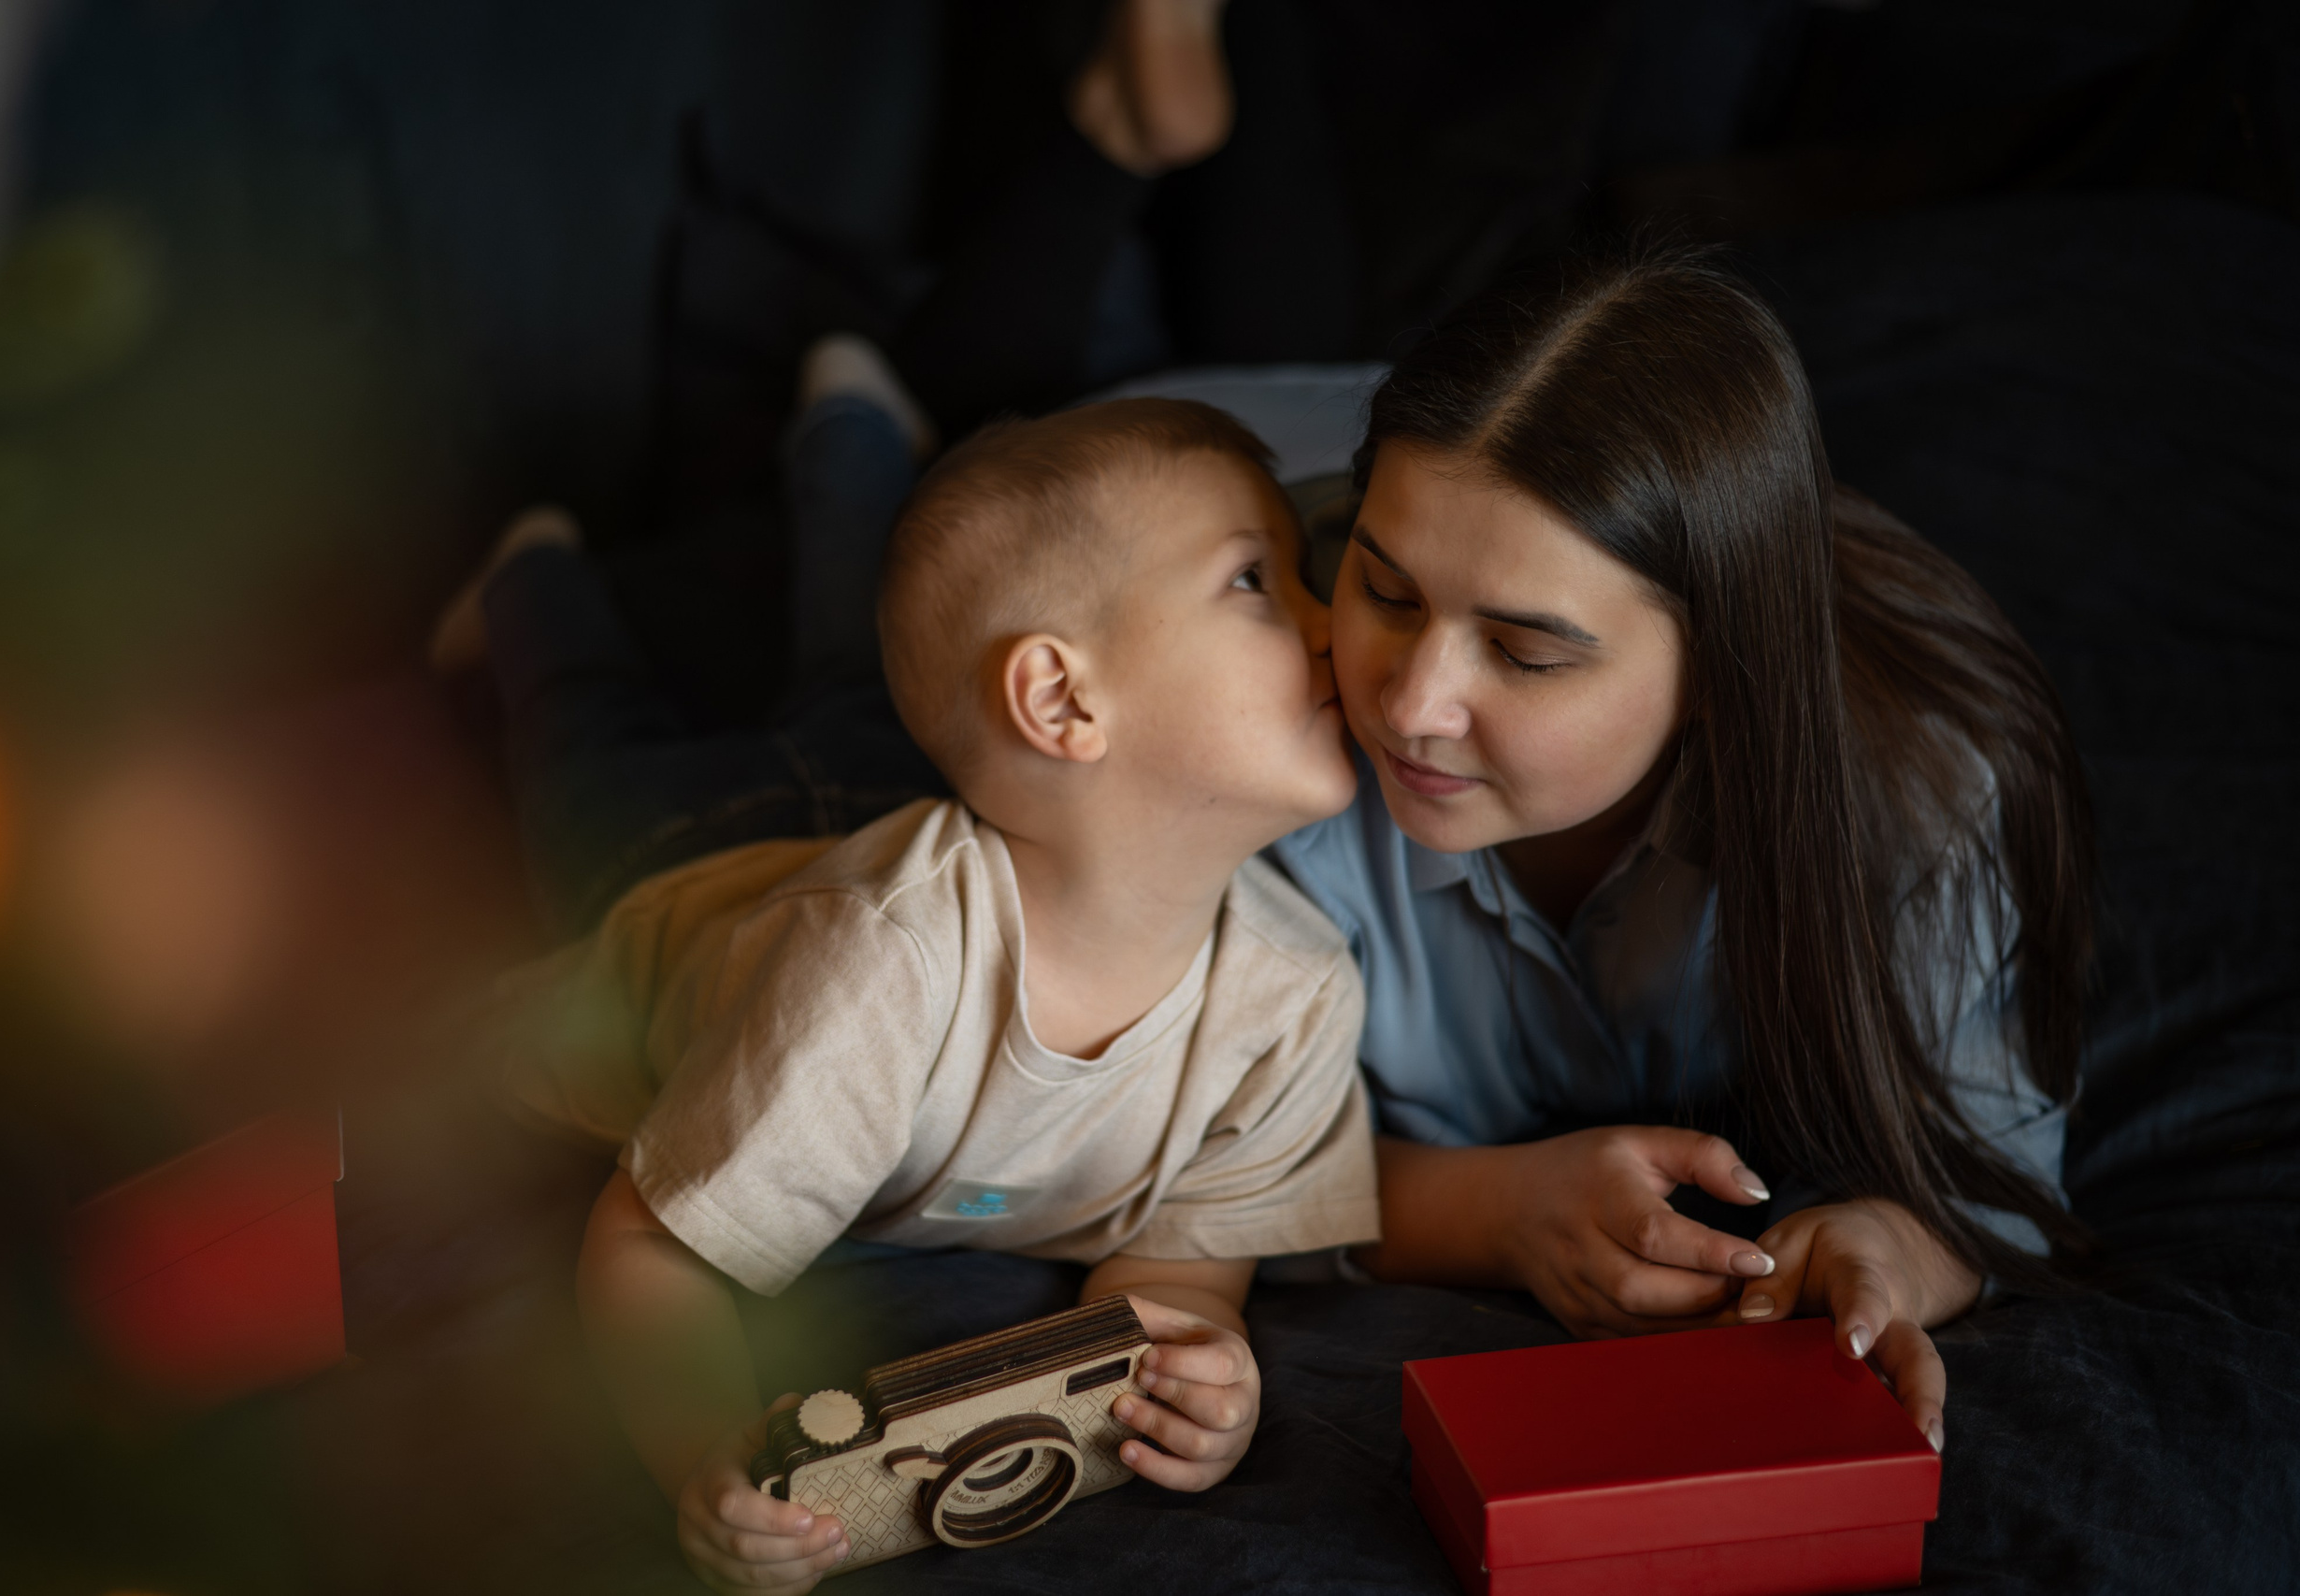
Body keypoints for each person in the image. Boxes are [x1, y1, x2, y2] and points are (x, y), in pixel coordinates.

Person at [451, 351, 1379, 1592]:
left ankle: (853, 421)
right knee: (590, 751)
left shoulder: (1298, 995)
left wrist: (1189, 1357)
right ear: (1061, 698)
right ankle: (530, 573)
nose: (1339, 625)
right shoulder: (872, 975)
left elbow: (1176, 1259)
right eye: (1259, 582)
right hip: (700, 866)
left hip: (933, 805)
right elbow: (652, 1242)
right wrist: (700, 1456)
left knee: (850, 681)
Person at [1267, 243, 2094, 1455]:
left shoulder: (1925, 797)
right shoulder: (1272, 731)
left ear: (1719, 670)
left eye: (1529, 654)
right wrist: (1493, 1214)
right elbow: (1164, 1154)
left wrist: (1891, 1251)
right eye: (1386, 594)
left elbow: (1990, 1179)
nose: (1410, 704)